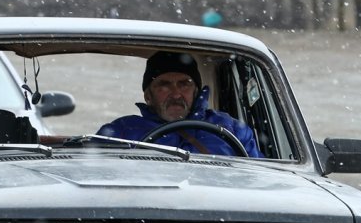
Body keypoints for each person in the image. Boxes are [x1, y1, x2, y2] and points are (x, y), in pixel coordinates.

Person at [97, 51, 262, 157]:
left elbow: (259, 180)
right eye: (164, 85)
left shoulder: (232, 130)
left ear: (195, 91)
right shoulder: (121, 132)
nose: (176, 94)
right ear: (148, 96)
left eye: (184, 84)